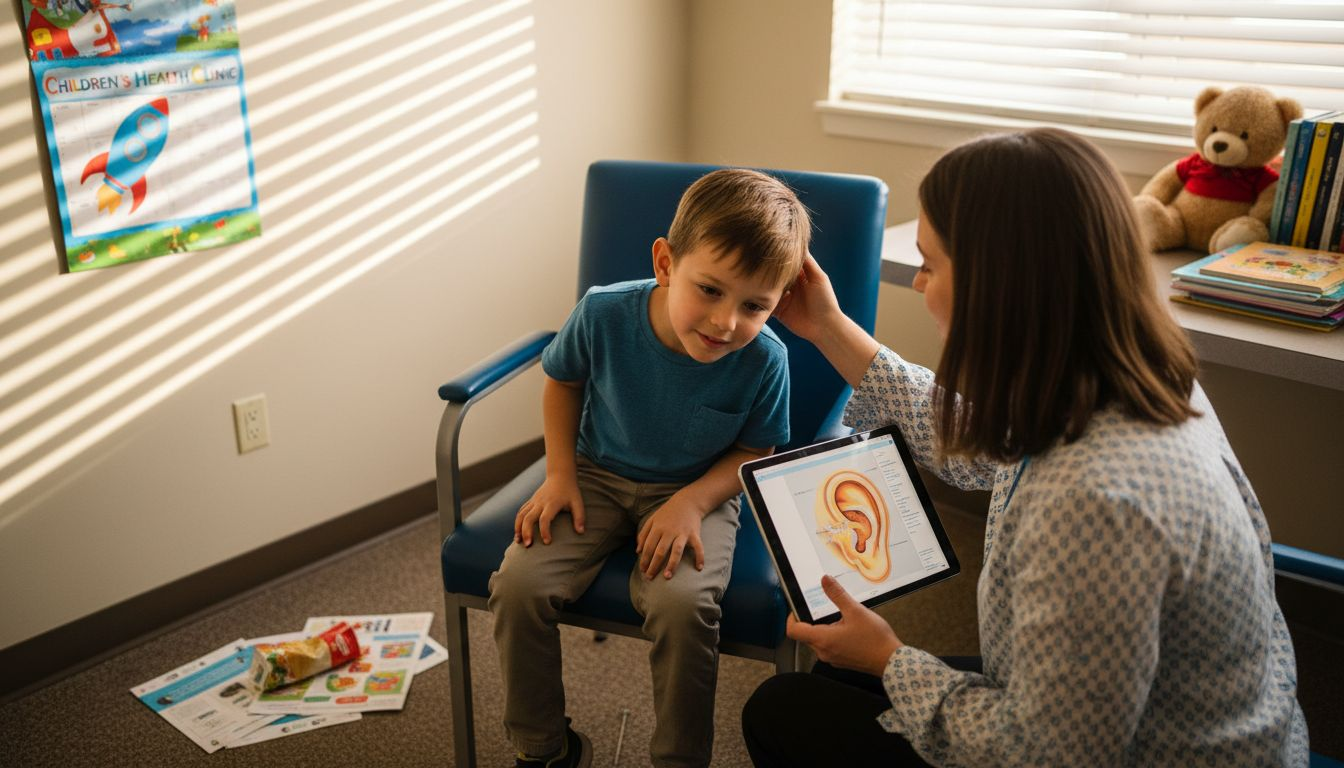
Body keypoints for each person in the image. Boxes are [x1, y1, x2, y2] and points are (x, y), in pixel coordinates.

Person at [742, 128, 1309, 767]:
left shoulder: (1095, 502)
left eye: (930, 263)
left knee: (782, 711)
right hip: (1199, 716)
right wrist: (828, 328)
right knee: (836, 680)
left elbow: (1048, 757)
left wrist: (893, 659)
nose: (920, 281)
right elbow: (978, 442)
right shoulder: (1135, 374)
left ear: (997, 284)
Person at [490, 168, 810, 768]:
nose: (725, 324)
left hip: (700, 490)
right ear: (665, 263)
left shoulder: (766, 358)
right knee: (518, 586)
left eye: (754, 306)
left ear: (779, 302)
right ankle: (543, 747)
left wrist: (690, 502)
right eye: (710, 290)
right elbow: (562, 381)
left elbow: (754, 452)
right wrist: (559, 474)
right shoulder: (604, 313)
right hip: (595, 473)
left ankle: (679, 760)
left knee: (684, 607)